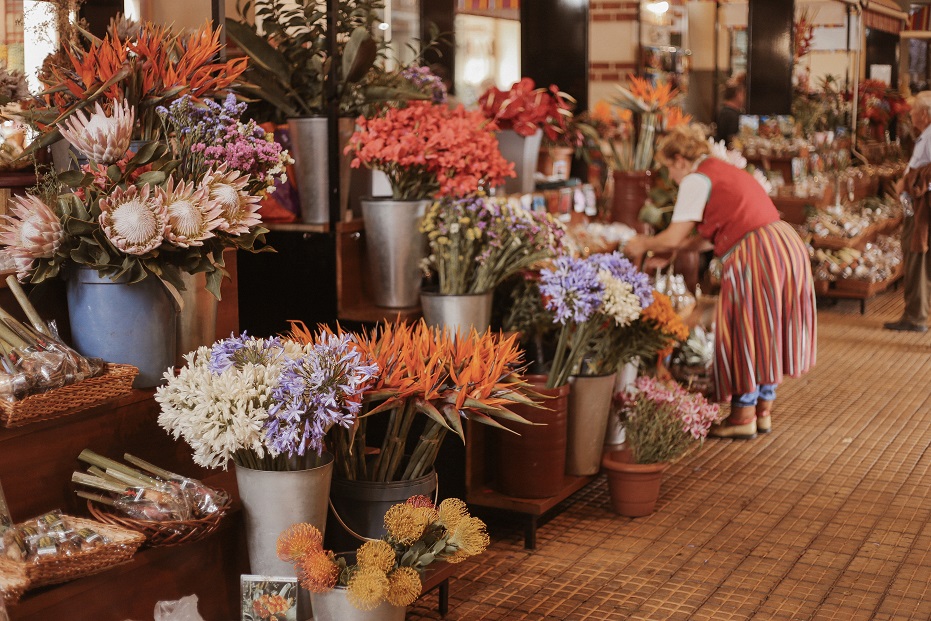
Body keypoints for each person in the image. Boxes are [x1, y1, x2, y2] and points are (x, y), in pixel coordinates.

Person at [624, 125, 817, 439]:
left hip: (756, 253)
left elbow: (674, 235)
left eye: (668, 168)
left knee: (745, 328)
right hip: (781, 243)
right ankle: (761, 411)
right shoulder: (721, 171)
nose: (670, 177)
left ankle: (742, 418)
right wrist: (671, 252)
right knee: (767, 328)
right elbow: (703, 238)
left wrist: (642, 245)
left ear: (679, 161)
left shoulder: (695, 180)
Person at [884, 91, 931, 333]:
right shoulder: (925, 135)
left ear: (924, 114)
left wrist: (911, 182)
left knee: (916, 258)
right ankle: (915, 313)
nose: (909, 114)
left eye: (913, 111)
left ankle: (915, 316)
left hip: (921, 209)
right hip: (918, 206)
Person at [715, 75, 745, 146]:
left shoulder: (725, 111)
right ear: (738, 94)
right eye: (743, 93)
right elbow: (733, 142)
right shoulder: (731, 115)